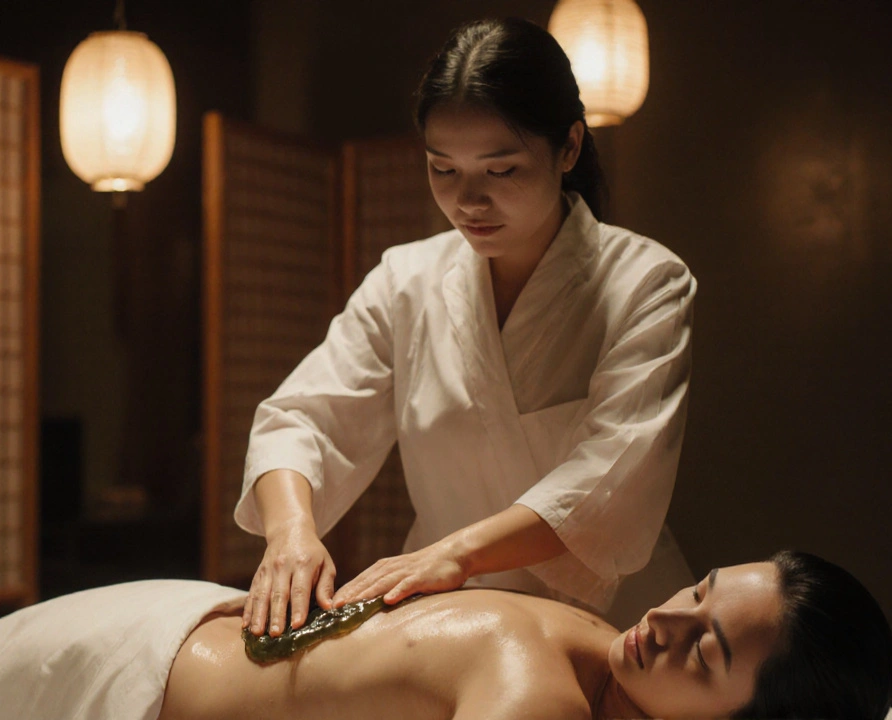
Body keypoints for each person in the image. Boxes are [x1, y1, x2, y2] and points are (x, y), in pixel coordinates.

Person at [239, 15, 697, 639]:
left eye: (501, 171)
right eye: (443, 169)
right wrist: (291, 532)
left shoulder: (646, 282)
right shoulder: (406, 281)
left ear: (568, 147)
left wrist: (454, 553)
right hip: (451, 616)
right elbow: (303, 419)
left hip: (612, 625)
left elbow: (607, 482)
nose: (468, 202)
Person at [0, 551, 892, 720]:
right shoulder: (539, 692)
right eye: (697, 592)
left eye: (703, 652)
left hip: (172, 632)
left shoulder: (584, 658)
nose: (662, 620)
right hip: (130, 681)